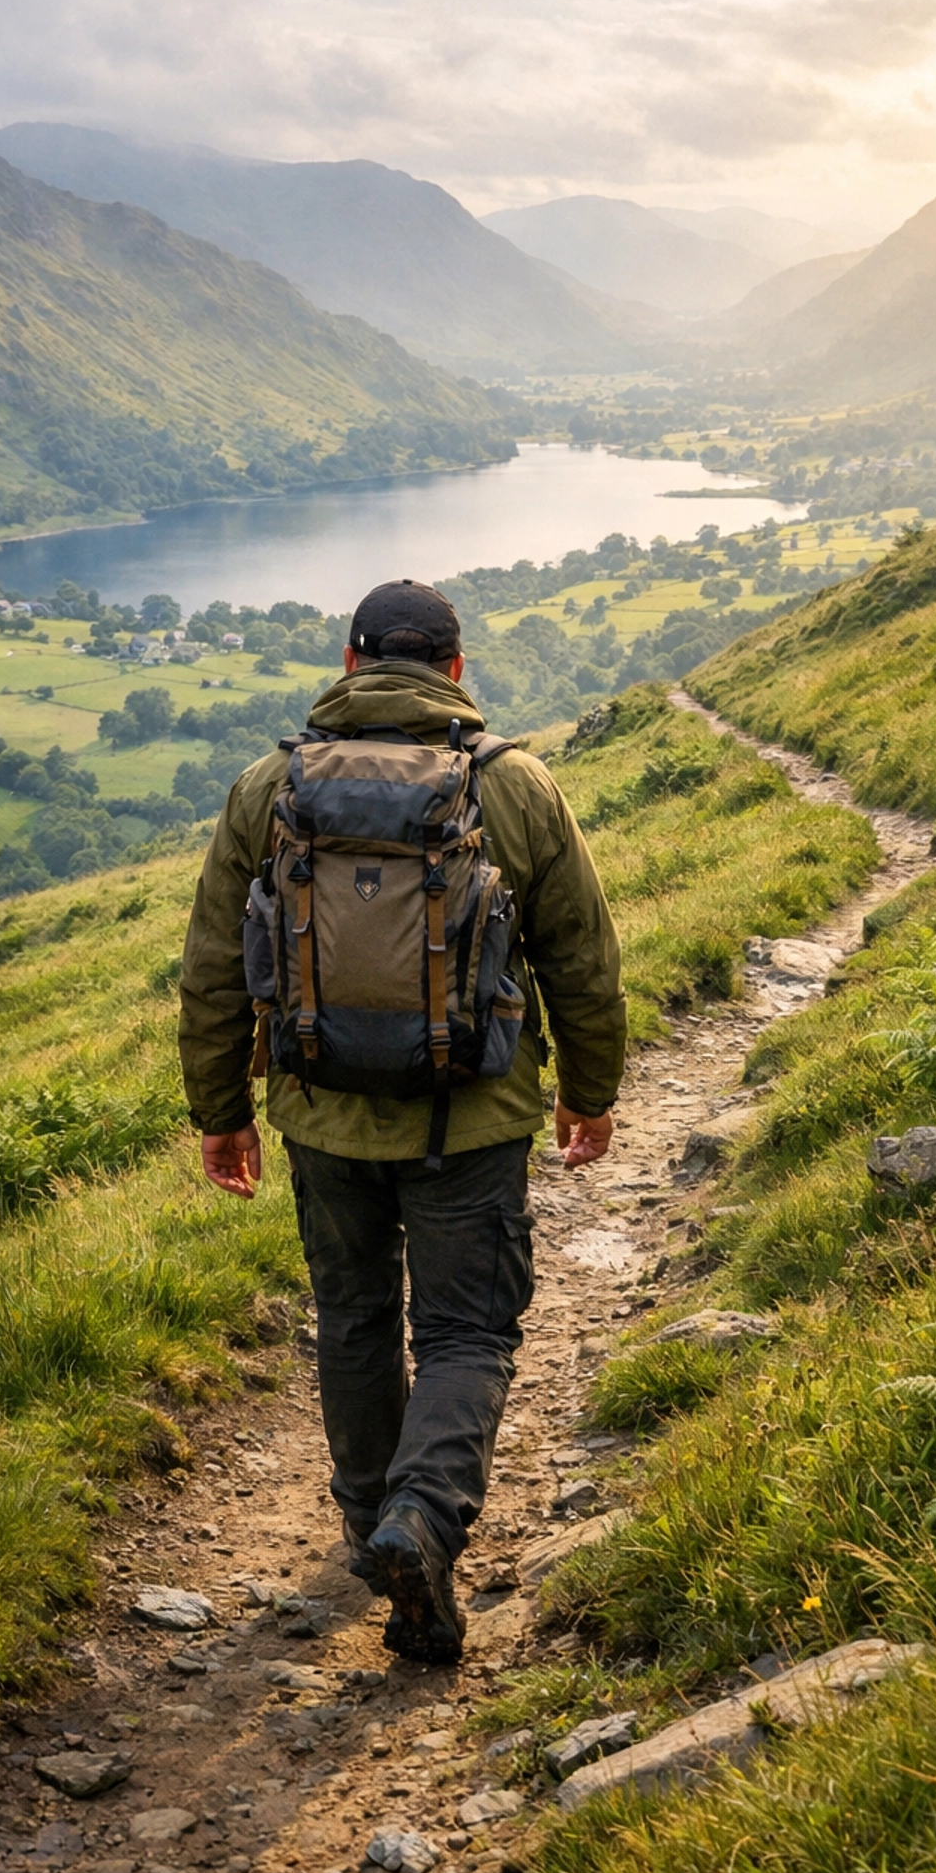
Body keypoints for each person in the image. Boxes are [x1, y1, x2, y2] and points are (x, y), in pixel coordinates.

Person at [179, 577, 626, 1664]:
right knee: (468, 1332)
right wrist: (590, 1090)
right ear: (456, 670)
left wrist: (222, 1112)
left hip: (321, 1115)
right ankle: (420, 1521)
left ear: (349, 662)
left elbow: (212, 972)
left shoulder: (267, 788)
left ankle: (366, 1521)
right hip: (470, 1119)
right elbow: (580, 953)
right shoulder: (513, 785)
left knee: (356, 1319)